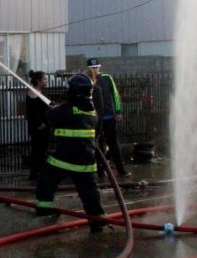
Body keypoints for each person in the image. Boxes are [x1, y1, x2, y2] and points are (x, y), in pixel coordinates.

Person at [34, 73, 109, 232]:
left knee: (46, 179)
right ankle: (98, 220)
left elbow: (50, 118)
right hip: (86, 161)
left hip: (64, 158)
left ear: (73, 90)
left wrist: (52, 108)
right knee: (89, 192)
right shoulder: (92, 112)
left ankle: (44, 209)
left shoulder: (66, 109)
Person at [86, 58, 129, 178]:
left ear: (100, 67)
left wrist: (118, 111)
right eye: (91, 68)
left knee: (113, 143)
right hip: (95, 118)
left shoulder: (106, 77)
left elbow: (115, 94)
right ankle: (101, 171)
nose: (94, 70)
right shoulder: (87, 80)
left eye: (96, 67)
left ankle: (121, 170)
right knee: (99, 145)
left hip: (109, 116)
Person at [24, 70, 50, 180]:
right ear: (38, 81)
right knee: (39, 150)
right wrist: (40, 124)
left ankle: (38, 172)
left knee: (41, 150)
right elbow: (32, 112)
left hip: (42, 128)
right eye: (44, 79)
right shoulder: (33, 93)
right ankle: (36, 173)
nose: (46, 81)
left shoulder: (38, 93)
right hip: (39, 129)